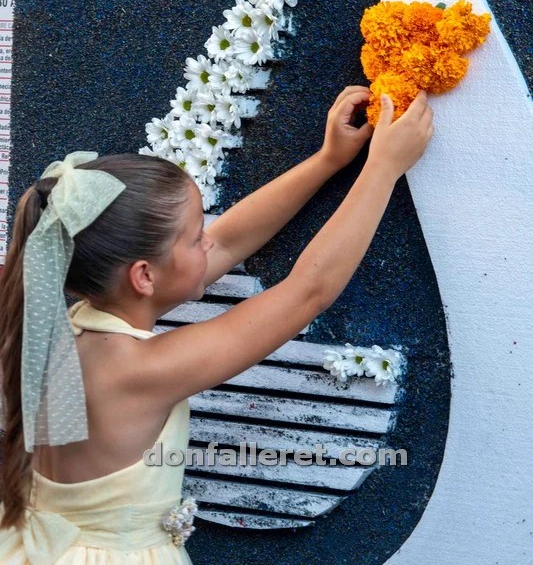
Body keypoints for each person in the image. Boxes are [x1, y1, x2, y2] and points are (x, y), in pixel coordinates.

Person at [0, 85, 433, 564]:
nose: (207, 242)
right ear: (144, 276)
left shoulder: (72, 326)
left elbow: (227, 243)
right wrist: (383, 169)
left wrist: (328, 160)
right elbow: (306, 292)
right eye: (192, 239)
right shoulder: (136, 370)